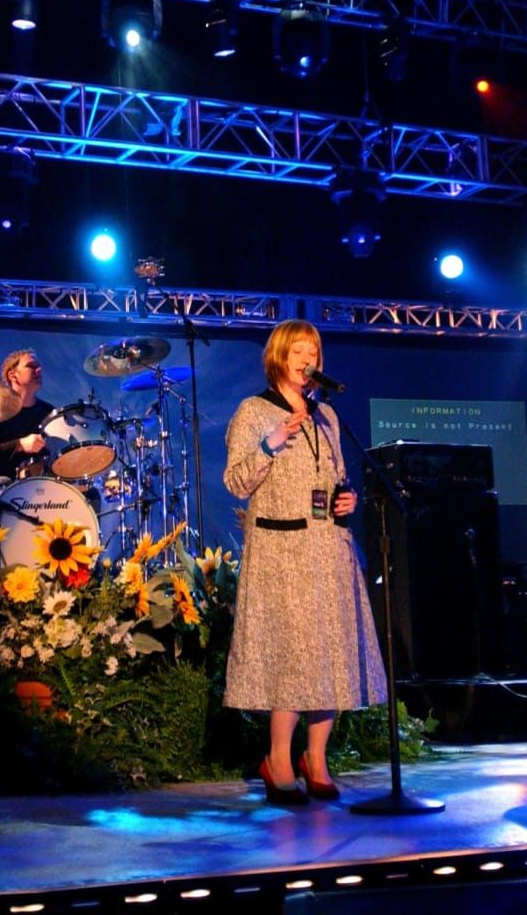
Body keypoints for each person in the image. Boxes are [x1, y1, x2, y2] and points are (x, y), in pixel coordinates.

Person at [222, 319, 386, 804]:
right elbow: (235, 482)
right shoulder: (253, 411)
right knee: (293, 658)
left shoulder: (327, 416)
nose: (305, 359)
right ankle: (277, 760)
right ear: (278, 356)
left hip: (329, 550)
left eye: (312, 351)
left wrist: (346, 499)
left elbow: (335, 477)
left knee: (330, 656)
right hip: (282, 552)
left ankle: (316, 758)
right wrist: (270, 444)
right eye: (296, 350)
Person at [0, 348, 52, 480]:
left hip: (42, 487)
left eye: (39, 367)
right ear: (13, 375)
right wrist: (19, 445)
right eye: (31, 366)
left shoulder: (48, 413)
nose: (39, 370)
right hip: (2, 488)